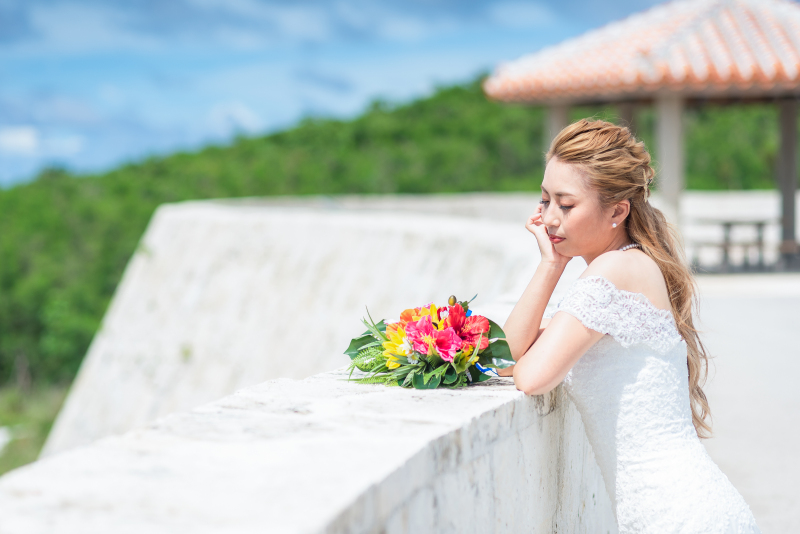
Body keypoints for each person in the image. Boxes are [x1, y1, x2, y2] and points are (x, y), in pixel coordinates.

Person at [498, 119, 760, 533]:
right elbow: (506, 352)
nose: (548, 219)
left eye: (566, 205)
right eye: (544, 200)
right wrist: (552, 264)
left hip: (681, 517)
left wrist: (552, 264)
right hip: (673, 512)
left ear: (618, 211)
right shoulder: (624, 267)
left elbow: (530, 377)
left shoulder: (616, 270)